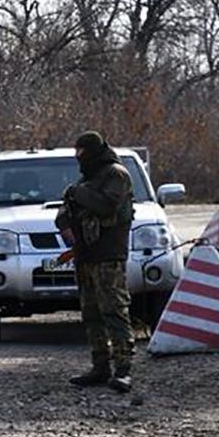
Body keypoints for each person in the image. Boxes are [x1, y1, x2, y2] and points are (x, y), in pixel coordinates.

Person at [56, 131, 135, 393]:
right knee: (92, 313)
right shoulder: (86, 180)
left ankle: (123, 369)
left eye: (82, 152)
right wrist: (66, 224)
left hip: (108, 254)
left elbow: (106, 206)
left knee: (114, 309)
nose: (79, 158)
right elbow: (64, 212)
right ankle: (100, 366)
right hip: (85, 255)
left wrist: (78, 193)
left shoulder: (116, 175)